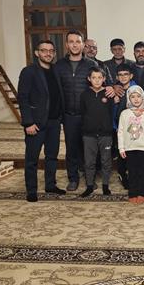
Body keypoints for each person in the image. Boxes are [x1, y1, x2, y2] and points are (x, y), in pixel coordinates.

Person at [17, 40, 66, 202]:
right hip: (35, 124)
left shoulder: (56, 70)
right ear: (37, 53)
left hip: (54, 122)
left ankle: (50, 185)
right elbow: (23, 98)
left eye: (51, 51)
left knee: (52, 156)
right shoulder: (29, 71)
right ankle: (31, 190)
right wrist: (28, 122)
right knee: (32, 159)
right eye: (44, 50)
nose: (48, 53)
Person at [55, 30, 96, 192]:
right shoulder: (59, 66)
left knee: (88, 149)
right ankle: (73, 178)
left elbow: (99, 86)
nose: (74, 45)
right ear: (66, 45)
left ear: (83, 44)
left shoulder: (91, 65)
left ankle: (89, 178)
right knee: (71, 149)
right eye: (71, 42)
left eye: (77, 41)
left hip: (87, 115)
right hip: (69, 115)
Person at [80, 66, 114, 198]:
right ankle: (89, 186)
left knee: (106, 161)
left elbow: (112, 113)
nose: (97, 80)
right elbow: (82, 113)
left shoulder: (109, 94)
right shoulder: (84, 94)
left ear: (104, 79)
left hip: (105, 134)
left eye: (100, 77)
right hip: (89, 135)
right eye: (94, 77)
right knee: (89, 162)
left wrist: (108, 128)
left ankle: (105, 185)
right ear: (89, 79)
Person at [118, 86, 144, 204]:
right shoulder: (124, 114)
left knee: (142, 172)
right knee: (132, 172)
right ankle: (133, 193)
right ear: (129, 98)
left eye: (138, 96)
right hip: (129, 148)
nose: (136, 99)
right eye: (133, 97)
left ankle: (142, 193)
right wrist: (121, 148)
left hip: (143, 148)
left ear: (142, 98)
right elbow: (121, 131)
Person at [113, 62, 137, 188]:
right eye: (120, 75)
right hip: (118, 127)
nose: (123, 77)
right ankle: (122, 174)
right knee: (121, 152)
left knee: (132, 153)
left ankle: (132, 175)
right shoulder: (115, 90)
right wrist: (115, 102)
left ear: (131, 76)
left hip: (133, 127)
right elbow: (112, 112)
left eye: (126, 74)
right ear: (117, 77)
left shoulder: (136, 89)